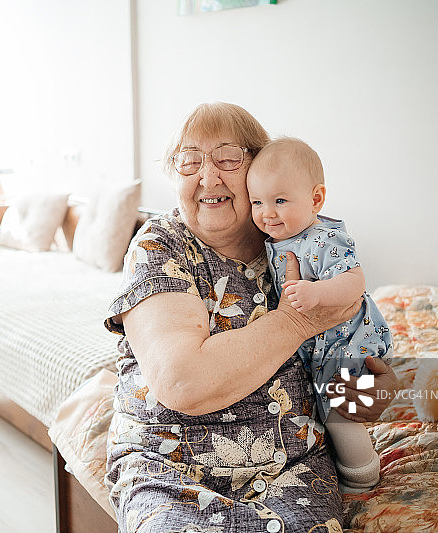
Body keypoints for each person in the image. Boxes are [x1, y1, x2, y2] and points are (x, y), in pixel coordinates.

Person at [104, 102, 398, 533]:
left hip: (292, 465)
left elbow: (349, 330)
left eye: (227, 158)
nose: (208, 177)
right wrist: (296, 322)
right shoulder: (160, 246)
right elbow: (184, 382)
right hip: (170, 466)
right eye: (189, 161)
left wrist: (366, 394)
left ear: (257, 168)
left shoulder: (295, 236)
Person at [246, 137, 393, 492]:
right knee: (324, 407)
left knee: (340, 409)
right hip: (319, 343)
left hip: (348, 337)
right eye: (257, 202)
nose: (267, 212)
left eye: (280, 200)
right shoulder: (277, 238)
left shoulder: (323, 237)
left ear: (316, 199)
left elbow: (354, 281)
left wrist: (316, 292)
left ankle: (362, 477)